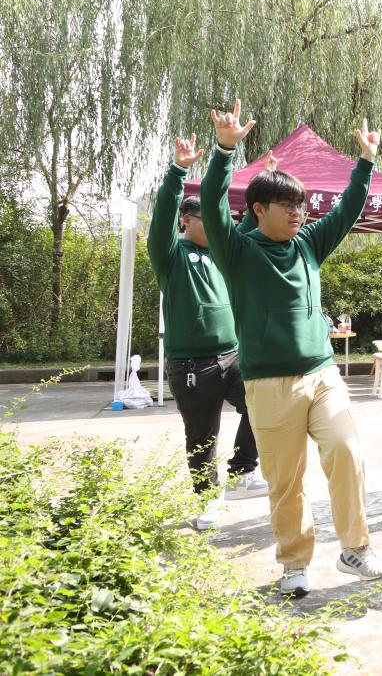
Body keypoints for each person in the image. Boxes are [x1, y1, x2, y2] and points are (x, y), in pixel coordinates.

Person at [200, 100, 382, 598]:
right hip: (268, 383)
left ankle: (355, 547)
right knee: (286, 481)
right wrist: (224, 151)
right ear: (258, 210)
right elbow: (214, 207)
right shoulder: (238, 251)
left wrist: (365, 162)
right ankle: (294, 563)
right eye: (287, 205)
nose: (298, 213)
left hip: (321, 374)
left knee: (346, 450)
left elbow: (346, 212)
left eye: (301, 205)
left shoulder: (308, 246)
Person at [147, 135, 268, 531]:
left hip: (232, 356)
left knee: (262, 405)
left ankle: (242, 472)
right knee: (202, 437)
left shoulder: (222, 253)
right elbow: (162, 219)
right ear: (186, 220)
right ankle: (207, 499)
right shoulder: (170, 255)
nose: (218, 226)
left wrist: (264, 185)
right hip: (191, 364)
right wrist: (178, 171)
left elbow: (250, 222)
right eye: (206, 219)